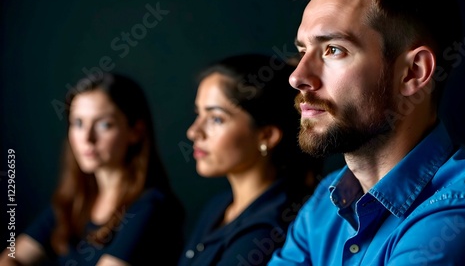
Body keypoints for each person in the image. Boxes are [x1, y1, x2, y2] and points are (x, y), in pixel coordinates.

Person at [268, 0, 465, 266]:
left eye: (333, 49)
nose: (297, 77)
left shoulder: (460, 219)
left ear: (413, 73)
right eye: (302, 49)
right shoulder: (325, 203)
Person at [0, 72, 185, 265]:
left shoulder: (152, 207)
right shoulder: (76, 201)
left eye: (104, 124)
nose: (87, 138)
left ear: (135, 131)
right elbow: (11, 257)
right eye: (78, 123)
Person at [178, 53, 323, 266]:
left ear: (266, 135)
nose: (194, 132)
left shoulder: (269, 229)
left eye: (216, 119)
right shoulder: (218, 206)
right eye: (198, 114)